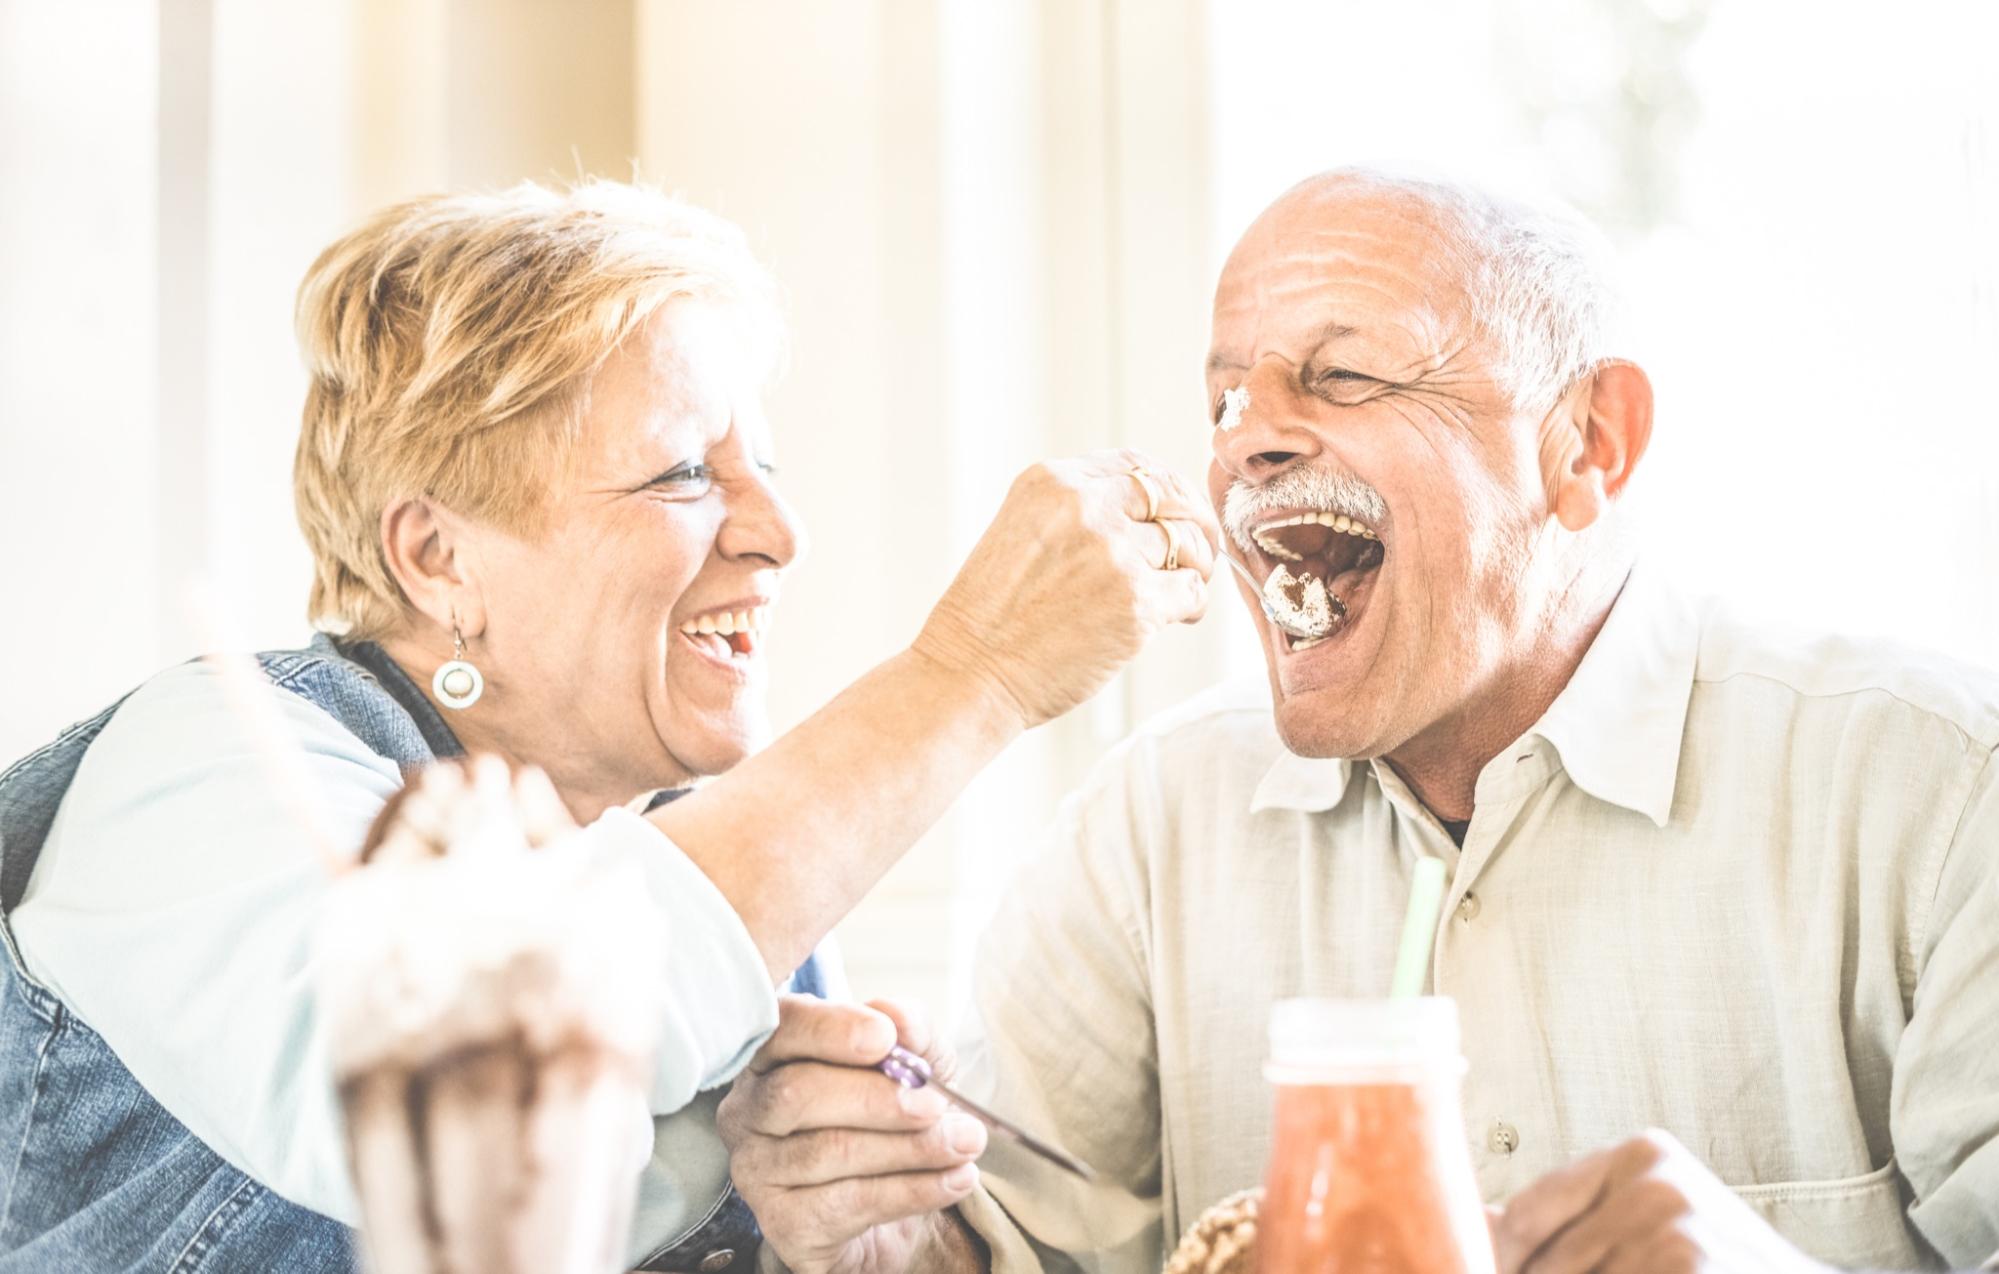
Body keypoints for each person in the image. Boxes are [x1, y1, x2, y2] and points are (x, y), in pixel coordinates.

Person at [718, 169, 1999, 1273]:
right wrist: (884, 1232)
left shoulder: (1935, 795)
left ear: (1588, 443)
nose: (1249, 439)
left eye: (1339, 373)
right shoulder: (1152, 826)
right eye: (1224, 395)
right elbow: (1018, 1247)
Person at [0, 179, 1220, 1272]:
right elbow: (453, 1104)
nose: (776, 533)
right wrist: (976, 671)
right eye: (685, 472)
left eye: (767, 472)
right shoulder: (209, 768)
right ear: (438, 557)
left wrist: (859, 1244)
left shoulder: (732, 884)